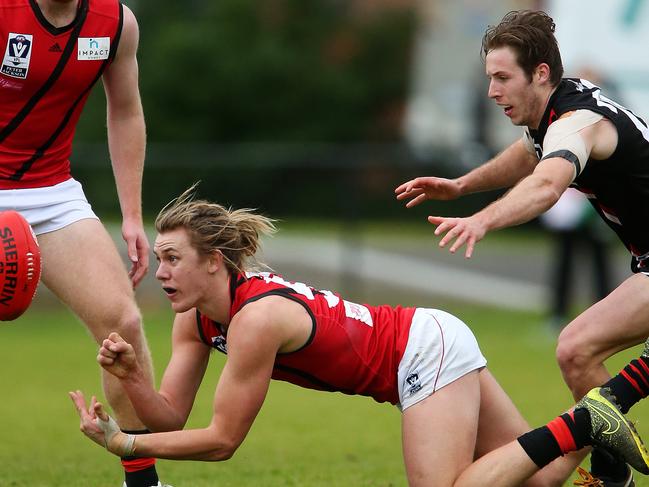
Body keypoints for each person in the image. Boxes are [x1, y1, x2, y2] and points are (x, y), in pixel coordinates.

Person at [70, 187, 649, 487]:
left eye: (173, 259)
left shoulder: (255, 320)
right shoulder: (196, 318)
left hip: (422, 349)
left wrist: (128, 446)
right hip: (428, 337)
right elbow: (172, 418)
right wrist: (133, 382)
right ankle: (616, 397)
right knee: (543, 477)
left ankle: (587, 420)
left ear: (216, 262)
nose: (160, 271)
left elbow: (223, 441)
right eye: (159, 258)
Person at [395, 9, 649, 486]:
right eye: (490, 78)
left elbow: (547, 184)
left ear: (540, 73)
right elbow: (528, 154)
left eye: (502, 78)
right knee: (576, 352)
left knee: (580, 350)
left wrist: (482, 219)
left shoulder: (577, 122)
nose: (492, 91)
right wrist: (461, 185)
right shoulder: (552, 115)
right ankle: (615, 480)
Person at [0, 1, 165, 486]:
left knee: (123, 325)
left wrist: (132, 215)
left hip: (51, 193)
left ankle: (142, 481)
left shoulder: (116, 24)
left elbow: (126, 112)